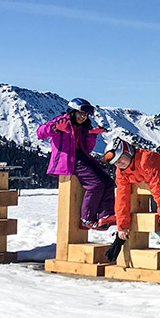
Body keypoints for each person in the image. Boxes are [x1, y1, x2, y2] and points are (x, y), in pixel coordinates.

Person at [100, 138, 160, 262]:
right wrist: (121, 228)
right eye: (115, 162)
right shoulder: (122, 172)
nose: (119, 163)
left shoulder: (146, 160)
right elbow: (122, 198)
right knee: (159, 222)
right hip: (155, 189)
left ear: (128, 152)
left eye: (121, 158)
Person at [37, 98, 116, 229]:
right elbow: (40, 132)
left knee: (108, 181)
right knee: (96, 184)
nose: (82, 117)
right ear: (72, 112)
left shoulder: (84, 127)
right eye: (80, 113)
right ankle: (86, 218)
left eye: (85, 115)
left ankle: (105, 216)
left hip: (81, 158)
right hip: (68, 160)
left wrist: (91, 135)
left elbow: (87, 149)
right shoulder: (61, 121)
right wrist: (55, 128)